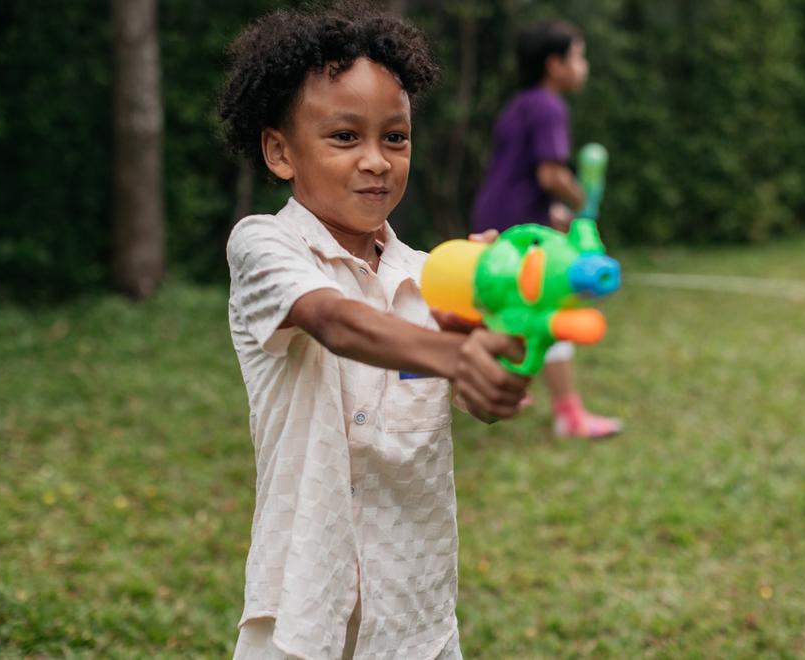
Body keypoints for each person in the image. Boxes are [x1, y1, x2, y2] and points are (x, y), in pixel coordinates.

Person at [217, 5, 530, 658]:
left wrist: (499, 326)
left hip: (413, 613)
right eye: (343, 137)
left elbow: (483, 399)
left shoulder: (430, 277)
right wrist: (454, 348)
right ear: (280, 151)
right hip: (303, 604)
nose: (376, 161)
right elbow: (334, 320)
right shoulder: (263, 244)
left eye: (395, 138)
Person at [471, 20, 622, 440]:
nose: (583, 66)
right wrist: (581, 205)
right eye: (578, 56)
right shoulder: (550, 106)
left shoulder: (519, 103)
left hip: (495, 216)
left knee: (500, 308)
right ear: (554, 64)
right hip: (521, 227)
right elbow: (550, 173)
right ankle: (569, 415)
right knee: (553, 308)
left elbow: (522, 172)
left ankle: (502, 386)